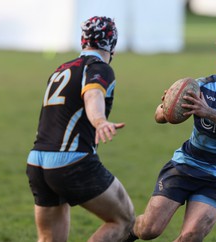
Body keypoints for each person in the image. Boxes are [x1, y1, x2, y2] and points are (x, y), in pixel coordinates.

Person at [125, 29, 216, 241]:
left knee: (191, 236)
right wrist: (168, 105)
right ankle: (122, 230)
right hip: (184, 166)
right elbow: (159, 116)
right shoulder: (200, 86)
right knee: (149, 229)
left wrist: (209, 112)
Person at [26, 16, 135, 242]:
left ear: (83, 40)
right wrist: (99, 121)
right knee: (123, 220)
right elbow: (92, 94)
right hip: (71, 162)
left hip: (38, 161)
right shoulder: (99, 68)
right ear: (113, 43)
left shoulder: (60, 70)